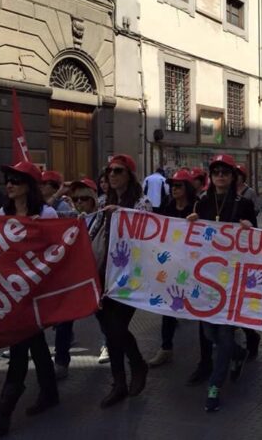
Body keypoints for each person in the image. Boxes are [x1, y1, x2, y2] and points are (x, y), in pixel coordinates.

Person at [0, 161, 59, 435]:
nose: (9, 184)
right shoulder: (3, 211)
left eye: (15, 180)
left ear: (29, 185)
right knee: (33, 344)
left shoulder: (47, 213)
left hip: (36, 291)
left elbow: (55, 250)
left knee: (20, 347)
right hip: (13, 290)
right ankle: (50, 393)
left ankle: (3, 412)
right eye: (7, 179)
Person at [186, 154, 257, 412]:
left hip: (232, 278)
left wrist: (249, 228)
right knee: (209, 331)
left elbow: (253, 240)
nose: (220, 176)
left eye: (225, 172)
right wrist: (191, 223)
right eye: (216, 171)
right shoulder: (202, 201)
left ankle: (215, 386)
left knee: (225, 333)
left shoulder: (243, 203)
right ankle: (239, 355)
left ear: (232, 175)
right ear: (211, 176)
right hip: (207, 275)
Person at [91, 154, 151, 408]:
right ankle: (119, 383)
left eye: (118, 171)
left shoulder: (142, 202)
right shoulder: (103, 201)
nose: (112, 175)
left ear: (129, 174)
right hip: (103, 273)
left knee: (116, 327)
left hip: (129, 275)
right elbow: (93, 231)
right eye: (109, 171)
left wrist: (123, 214)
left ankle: (136, 364)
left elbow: (147, 234)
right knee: (108, 329)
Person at [52, 178, 101, 380]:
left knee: (105, 319)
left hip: (96, 275)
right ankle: (61, 361)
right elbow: (45, 210)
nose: (79, 203)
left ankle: (109, 348)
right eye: (75, 199)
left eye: (84, 199)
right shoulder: (69, 216)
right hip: (73, 276)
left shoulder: (103, 217)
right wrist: (58, 194)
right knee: (64, 320)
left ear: (93, 200)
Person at [148, 169, 197, 368]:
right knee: (168, 306)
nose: (174, 189)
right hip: (172, 264)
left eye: (178, 185)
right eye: (172, 185)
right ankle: (166, 348)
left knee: (199, 306)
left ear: (187, 188)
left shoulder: (196, 208)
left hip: (193, 267)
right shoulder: (168, 207)